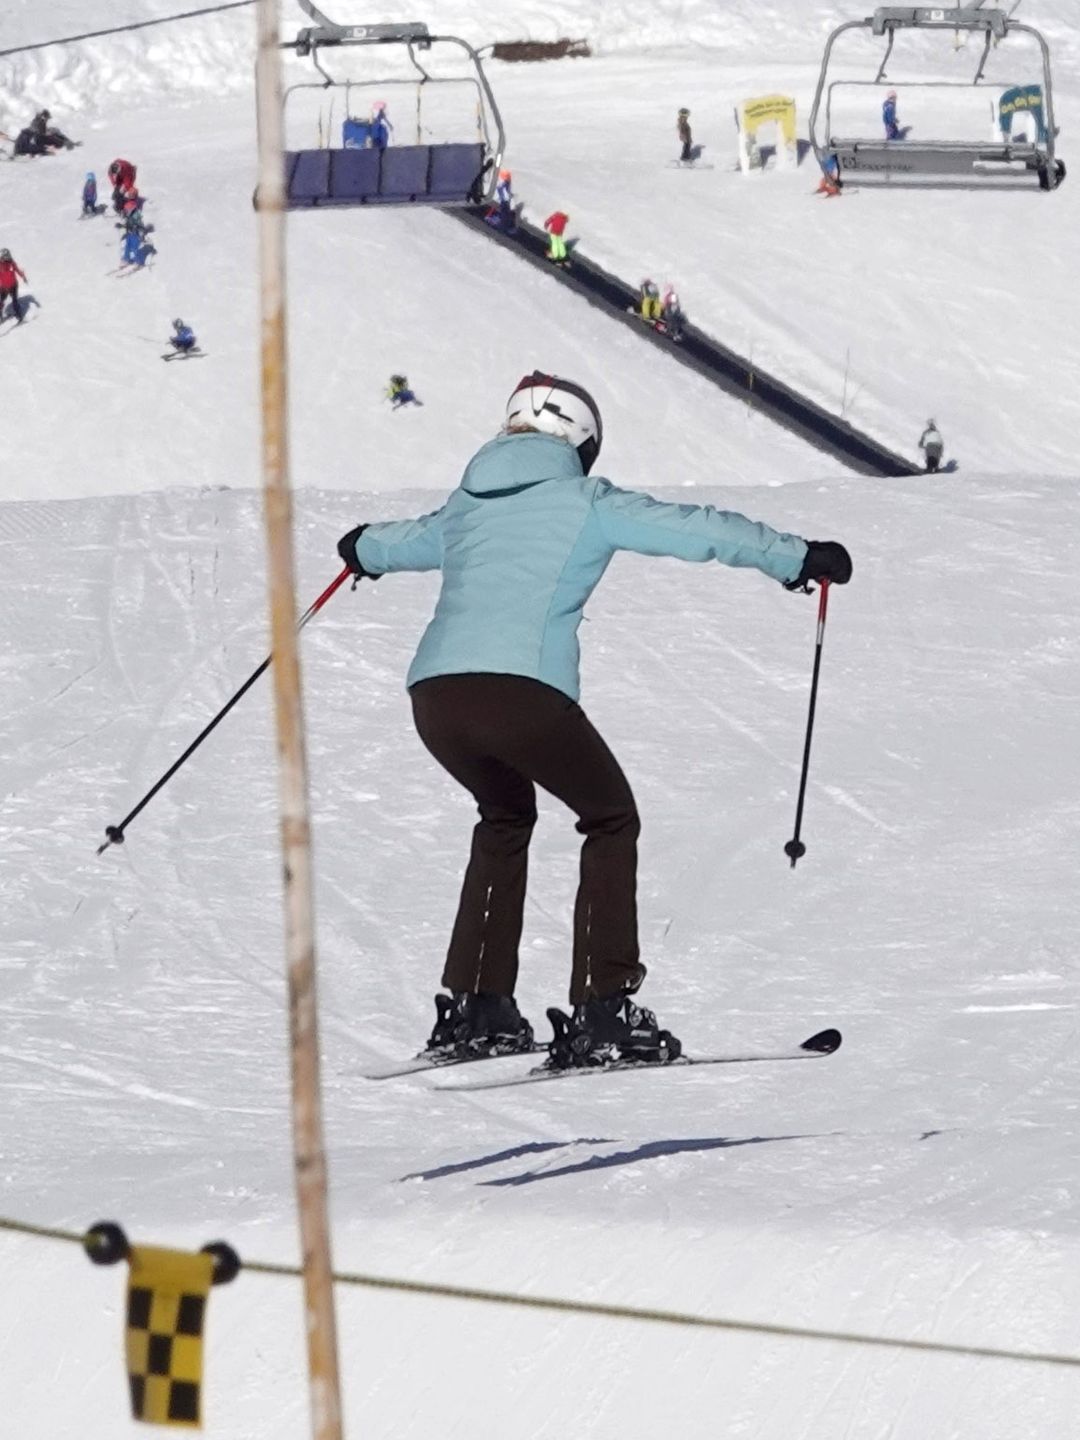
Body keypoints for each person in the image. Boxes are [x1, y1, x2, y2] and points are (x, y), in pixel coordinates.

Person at [335, 371, 852, 1070]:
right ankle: (604, 1010)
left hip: (436, 700)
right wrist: (796, 558)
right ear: (580, 442)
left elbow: (400, 543)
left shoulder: (467, 508)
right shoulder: (585, 501)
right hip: (520, 695)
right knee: (609, 817)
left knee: (505, 816)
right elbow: (693, 530)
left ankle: (478, 1009)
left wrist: (361, 546)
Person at [0, 249, 28, 324]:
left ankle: (19, 316)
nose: (9, 257)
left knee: (15, 301)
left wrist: (23, 276)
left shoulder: (12, 263)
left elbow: (18, 270)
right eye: (7, 256)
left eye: (9, 256)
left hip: (13, 286)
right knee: (1, 302)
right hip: (3, 288)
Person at [486, 168, 516, 233]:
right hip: (504, 199)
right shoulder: (505, 183)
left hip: (504, 200)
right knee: (505, 210)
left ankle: (505, 225)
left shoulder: (503, 184)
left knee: (504, 210)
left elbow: (502, 188)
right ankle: (507, 225)